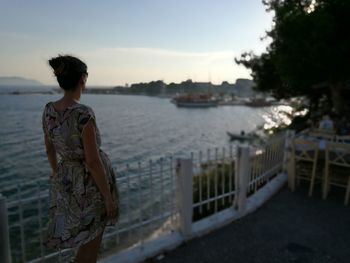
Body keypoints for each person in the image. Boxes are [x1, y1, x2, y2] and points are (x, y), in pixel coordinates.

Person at [42, 55, 119, 263]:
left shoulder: (48, 110)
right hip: (90, 186)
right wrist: (108, 199)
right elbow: (93, 161)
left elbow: (49, 148)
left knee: (82, 242)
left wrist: (57, 174)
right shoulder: (83, 113)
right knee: (91, 245)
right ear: (82, 79)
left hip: (67, 182)